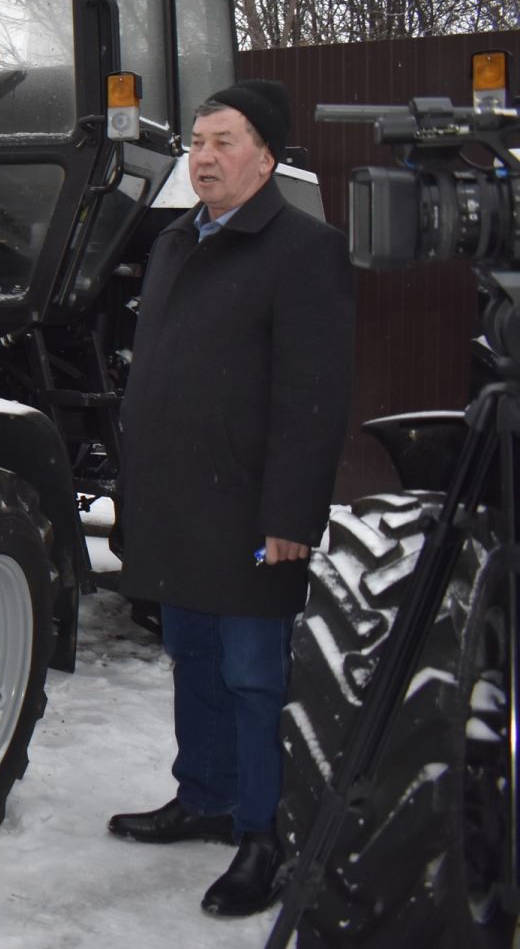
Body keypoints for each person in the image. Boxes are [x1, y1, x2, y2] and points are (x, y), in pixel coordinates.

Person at [109, 79, 355, 918]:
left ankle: (264, 832)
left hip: (252, 510)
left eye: (223, 141)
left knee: (255, 675)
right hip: (179, 503)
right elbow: (156, 382)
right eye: (197, 141)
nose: (203, 156)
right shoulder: (177, 242)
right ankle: (205, 794)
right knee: (195, 658)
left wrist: (292, 516)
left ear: (266, 157)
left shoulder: (304, 249)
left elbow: (314, 398)